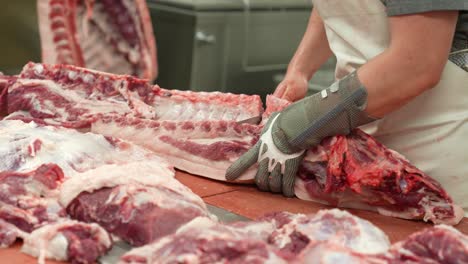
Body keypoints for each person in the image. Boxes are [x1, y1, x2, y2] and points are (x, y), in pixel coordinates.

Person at [226, 0, 468, 215]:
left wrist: (300, 122)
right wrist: (300, 70)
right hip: (356, 127)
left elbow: (417, 64)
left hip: (436, 145)